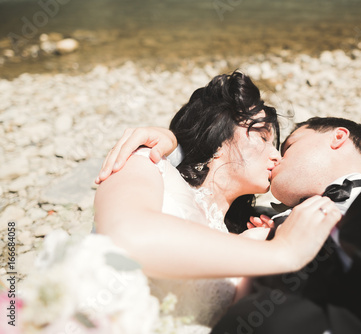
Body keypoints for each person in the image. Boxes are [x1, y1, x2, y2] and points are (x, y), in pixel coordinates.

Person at [100, 117, 361, 334]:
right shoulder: (255, 231)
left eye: (287, 145)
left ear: (338, 138)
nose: (275, 158)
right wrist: (178, 141)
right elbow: (183, 214)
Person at [93, 72, 341, 333]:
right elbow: (126, 240)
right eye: (263, 137)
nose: (276, 156)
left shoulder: (243, 239)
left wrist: (263, 241)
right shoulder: (149, 163)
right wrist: (283, 251)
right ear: (220, 136)